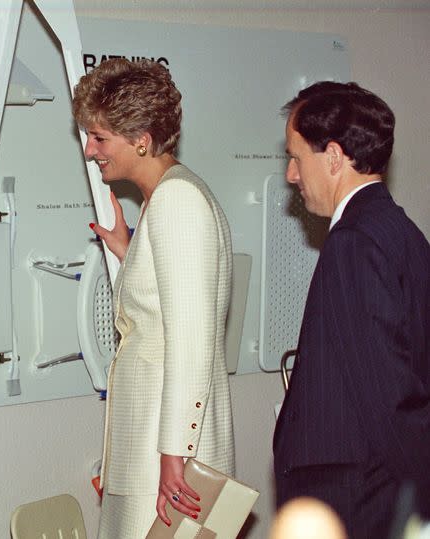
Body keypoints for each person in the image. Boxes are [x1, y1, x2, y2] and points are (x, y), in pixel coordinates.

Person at [74, 59, 235, 538]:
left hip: (165, 459)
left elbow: (190, 341)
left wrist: (174, 458)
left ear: (141, 137)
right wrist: (130, 254)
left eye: (99, 138)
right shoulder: (166, 198)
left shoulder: (177, 202)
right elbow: (165, 308)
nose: (89, 150)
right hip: (154, 448)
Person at [273, 81, 430, 538]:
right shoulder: (403, 233)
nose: (291, 175)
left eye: (296, 157)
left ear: (335, 157)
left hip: (354, 501)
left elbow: (389, 394)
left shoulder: (355, 243)